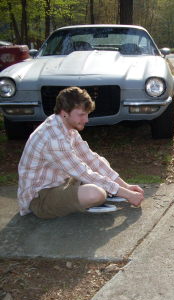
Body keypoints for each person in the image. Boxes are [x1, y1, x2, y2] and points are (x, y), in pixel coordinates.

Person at [18, 86, 145, 219]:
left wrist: (126, 187)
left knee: (101, 161)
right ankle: (94, 200)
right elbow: (84, 173)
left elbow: (90, 159)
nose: (86, 120)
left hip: (61, 182)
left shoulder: (65, 126)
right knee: (95, 194)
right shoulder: (54, 139)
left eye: (87, 114)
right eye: (81, 115)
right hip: (40, 199)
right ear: (64, 112)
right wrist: (127, 195)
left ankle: (108, 193)